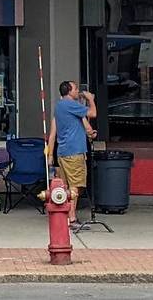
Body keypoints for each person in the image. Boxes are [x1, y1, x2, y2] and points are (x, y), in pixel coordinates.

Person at [47, 80, 97, 229]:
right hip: (74, 151)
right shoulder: (71, 105)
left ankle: (66, 215)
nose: (77, 91)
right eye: (75, 89)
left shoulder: (59, 107)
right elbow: (93, 113)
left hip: (63, 152)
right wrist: (90, 99)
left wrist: (50, 155)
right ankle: (72, 219)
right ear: (69, 91)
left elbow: (53, 134)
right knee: (76, 185)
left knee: (68, 185)